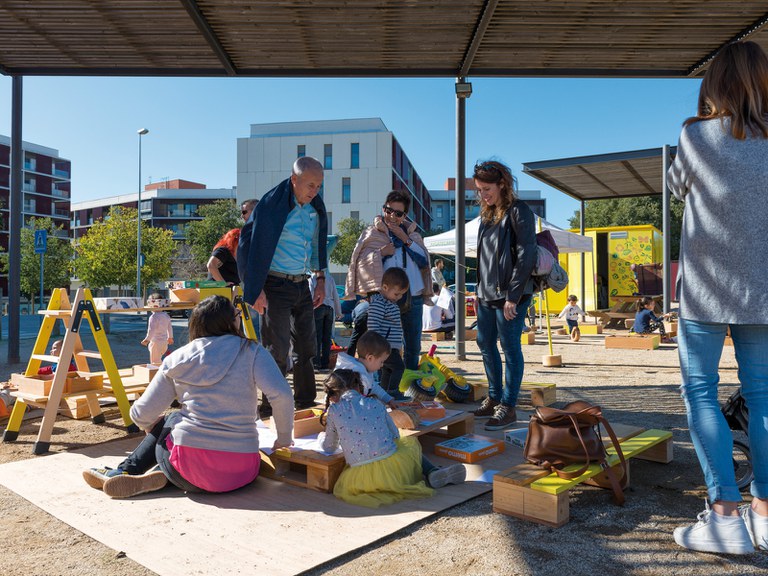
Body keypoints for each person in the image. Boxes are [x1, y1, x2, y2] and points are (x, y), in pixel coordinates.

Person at [667, 40, 768, 555]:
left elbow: (677, 188)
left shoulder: (695, 136)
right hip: (764, 291)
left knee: (701, 392)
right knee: (764, 396)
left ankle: (725, 517)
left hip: (705, 291)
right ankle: (766, 515)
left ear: (715, 85)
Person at [82, 295, 294, 499]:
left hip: (188, 469)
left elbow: (140, 413)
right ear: (231, 321)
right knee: (176, 425)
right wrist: (283, 438)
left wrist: (150, 425)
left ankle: (128, 471)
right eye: (237, 314)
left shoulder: (177, 359)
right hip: (242, 471)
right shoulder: (252, 351)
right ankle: (159, 476)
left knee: (173, 418)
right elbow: (282, 395)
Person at [238, 156, 328, 416]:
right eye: (310, 185)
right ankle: (270, 406)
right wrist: (255, 288)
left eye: (319, 186)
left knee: (307, 348)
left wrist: (320, 279)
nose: (315, 192)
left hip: (303, 284)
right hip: (274, 285)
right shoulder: (271, 204)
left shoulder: (315, 208)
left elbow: (317, 244)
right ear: (294, 179)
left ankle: (305, 402)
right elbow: (246, 245)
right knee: (276, 350)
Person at [319, 369, 465, 508]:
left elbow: (329, 447)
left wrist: (321, 439)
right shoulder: (375, 403)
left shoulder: (334, 410)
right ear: (358, 386)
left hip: (361, 481)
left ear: (333, 395)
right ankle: (432, 470)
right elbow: (395, 434)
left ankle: (432, 473)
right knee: (408, 445)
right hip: (394, 471)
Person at [471, 160, 537, 432]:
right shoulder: (487, 215)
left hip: (511, 295)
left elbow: (526, 254)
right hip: (486, 294)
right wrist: (478, 291)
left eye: (487, 189)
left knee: (510, 347)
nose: (482, 194)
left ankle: (508, 406)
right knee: (485, 343)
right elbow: (484, 258)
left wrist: (513, 295)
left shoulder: (519, 211)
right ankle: (494, 397)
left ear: (502, 185)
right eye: (479, 190)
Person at [345, 190, 434, 372]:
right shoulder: (372, 233)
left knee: (413, 345)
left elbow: (424, 261)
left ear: (405, 216)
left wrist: (405, 239)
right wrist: (381, 253)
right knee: (382, 344)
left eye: (398, 213)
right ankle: (382, 383)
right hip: (384, 298)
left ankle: (408, 381)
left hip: (413, 296)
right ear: (383, 209)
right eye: (388, 210)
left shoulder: (413, 235)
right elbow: (360, 262)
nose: (392, 216)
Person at [367, 267, 409, 396]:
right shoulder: (379, 303)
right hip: (384, 347)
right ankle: (393, 391)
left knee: (388, 370)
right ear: (385, 287)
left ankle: (384, 393)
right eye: (397, 294)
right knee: (399, 367)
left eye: (402, 294)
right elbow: (373, 325)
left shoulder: (390, 303)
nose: (399, 297)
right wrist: (378, 345)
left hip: (390, 346)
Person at [334, 330, 398, 409]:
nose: (382, 365)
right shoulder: (358, 374)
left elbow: (374, 387)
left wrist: (388, 399)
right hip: (344, 410)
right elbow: (356, 403)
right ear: (370, 358)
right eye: (381, 361)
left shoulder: (363, 370)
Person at [310, 270, 342, 371]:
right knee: (327, 338)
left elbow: (311, 293)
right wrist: (338, 312)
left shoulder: (312, 277)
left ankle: (316, 364)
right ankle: (325, 364)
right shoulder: (330, 277)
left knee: (317, 337)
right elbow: (336, 295)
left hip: (317, 307)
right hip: (330, 308)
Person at [141, 293, 174, 365]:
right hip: (164, 342)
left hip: (156, 342)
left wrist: (147, 339)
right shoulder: (166, 315)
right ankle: (161, 368)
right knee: (158, 359)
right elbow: (169, 328)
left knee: (155, 362)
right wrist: (170, 337)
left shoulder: (153, 317)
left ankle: (159, 370)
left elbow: (151, 330)